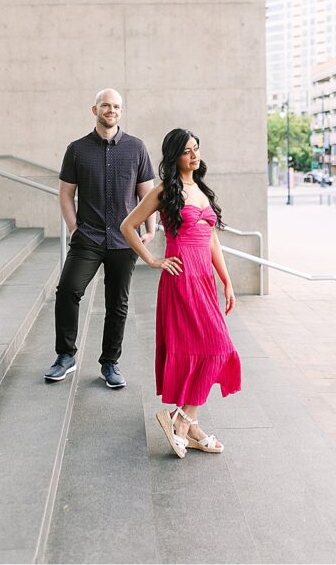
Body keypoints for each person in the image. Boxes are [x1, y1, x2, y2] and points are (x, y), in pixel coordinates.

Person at [119, 128, 241, 457]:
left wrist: (226, 280)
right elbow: (127, 226)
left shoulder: (201, 190)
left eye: (196, 148)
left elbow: (212, 239)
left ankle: (187, 424)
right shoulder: (164, 191)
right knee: (216, 348)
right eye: (187, 151)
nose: (194, 155)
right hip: (181, 278)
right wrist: (152, 260)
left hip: (204, 280)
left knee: (206, 350)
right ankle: (182, 420)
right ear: (174, 156)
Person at [45, 89, 157, 388]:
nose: (111, 110)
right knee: (68, 290)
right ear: (94, 109)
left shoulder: (136, 147)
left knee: (117, 303)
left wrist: (150, 229)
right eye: (106, 105)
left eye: (117, 106)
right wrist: (73, 227)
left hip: (124, 240)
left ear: (122, 111)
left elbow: (147, 195)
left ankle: (110, 363)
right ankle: (65, 356)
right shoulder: (77, 149)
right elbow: (66, 193)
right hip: (88, 237)